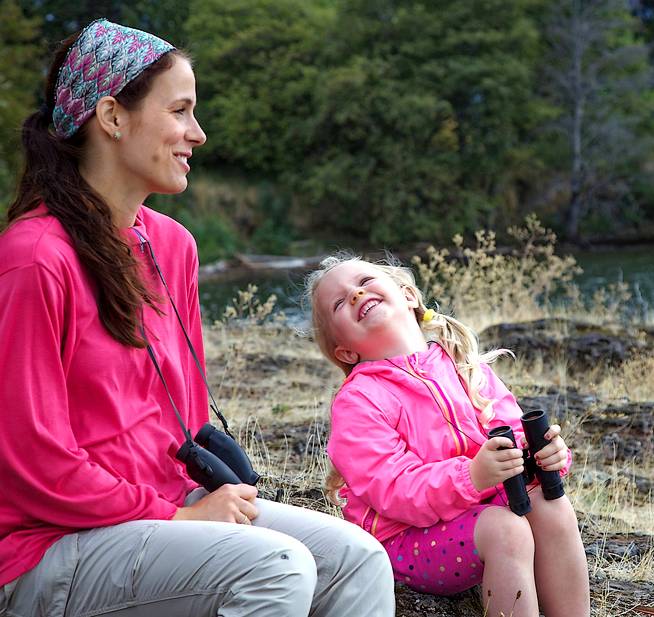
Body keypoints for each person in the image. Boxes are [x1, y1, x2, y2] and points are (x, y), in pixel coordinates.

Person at [0, 19, 393, 617]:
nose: (198, 134)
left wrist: (191, 504)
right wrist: (177, 517)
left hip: (163, 510)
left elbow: (178, 420)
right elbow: (30, 460)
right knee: (273, 569)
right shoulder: (34, 258)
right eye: (180, 111)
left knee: (357, 558)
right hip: (48, 545)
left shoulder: (173, 246)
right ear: (112, 117)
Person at [307, 254, 591, 617]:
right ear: (346, 350)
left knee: (552, 505)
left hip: (474, 510)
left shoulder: (462, 364)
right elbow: (393, 489)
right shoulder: (359, 401)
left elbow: (514, 434)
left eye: (364, 281)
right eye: (339, 302)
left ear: (408, 295)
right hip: (404, 539)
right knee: (506, 530)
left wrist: (544, 457)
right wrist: (472, 476)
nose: (357, 294)